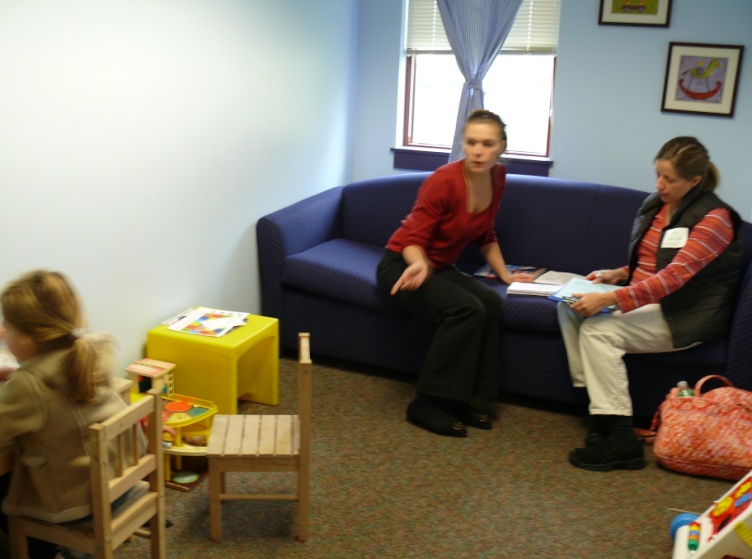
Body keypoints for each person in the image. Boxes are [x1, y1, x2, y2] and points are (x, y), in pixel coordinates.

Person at [558, 136, 743, 472]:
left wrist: (611, 297)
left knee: (598, 331)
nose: (659, 185)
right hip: (647, 302)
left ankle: (622, 441)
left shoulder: (715, 220)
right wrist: (617, 274)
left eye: (669, 179)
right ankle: (601, 414)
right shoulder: (656, 205)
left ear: (694, 181)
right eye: (658, 175)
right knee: (569, 307)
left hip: (684, 314)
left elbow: (673, 276)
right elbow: (650, 261)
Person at [376, 109, 534, 437]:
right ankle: (425, 403)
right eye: (471, 142)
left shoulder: (497, 177)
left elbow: (485, 234)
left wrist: (505, 275)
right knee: (465, 309)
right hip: (403, 266)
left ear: (501, 147)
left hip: (439, 267)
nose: (477, 151)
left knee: (490, 303)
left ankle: (461, 398)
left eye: (487, 144)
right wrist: (419, 263)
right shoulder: (444, 180)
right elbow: (413, 240)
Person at [0, 270, 141, 558]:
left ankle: (48, 549)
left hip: (77, 504)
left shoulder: (28, 385)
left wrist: (17, 379)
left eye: (8, 328)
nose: (3, 333)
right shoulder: (94, 349)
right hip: (121, 481)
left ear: (27, 339)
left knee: (4, 492)